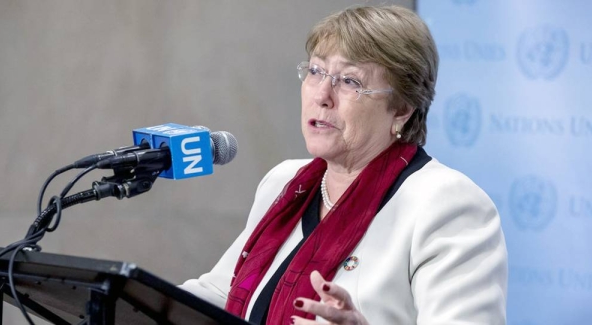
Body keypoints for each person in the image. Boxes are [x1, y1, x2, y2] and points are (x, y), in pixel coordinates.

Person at [181, 5, 507, 325]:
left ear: (402, 108)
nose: (322, 94)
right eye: (315, 71)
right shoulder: (285, 183)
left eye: (349, 81)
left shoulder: (446, 204)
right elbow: (221, 293)